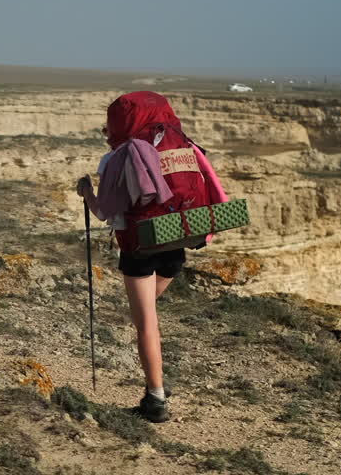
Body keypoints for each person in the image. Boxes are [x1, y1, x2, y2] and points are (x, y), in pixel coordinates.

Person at [76, 92, 228, 423]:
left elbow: (104, 212)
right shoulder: (183, 145)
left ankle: (155, 398)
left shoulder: (120, 156)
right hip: (180, 239)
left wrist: (87, 191)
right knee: (147, 313)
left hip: (141, 247)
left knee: (146, 323)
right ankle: (156, 373)